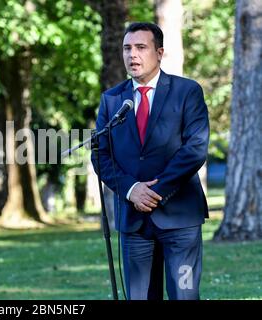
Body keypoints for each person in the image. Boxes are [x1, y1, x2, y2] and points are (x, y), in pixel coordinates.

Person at [92, 22, 209, 300]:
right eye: (127, 48)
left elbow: (195, 148)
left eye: (140, 47)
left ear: (159, 53)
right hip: (134, 223)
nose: (132, 55)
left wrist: (155, 192)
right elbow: (100, 153)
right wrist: (132, 190)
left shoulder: (187, 92)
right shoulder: (111, 100)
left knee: (185, 293)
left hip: (181, 219)